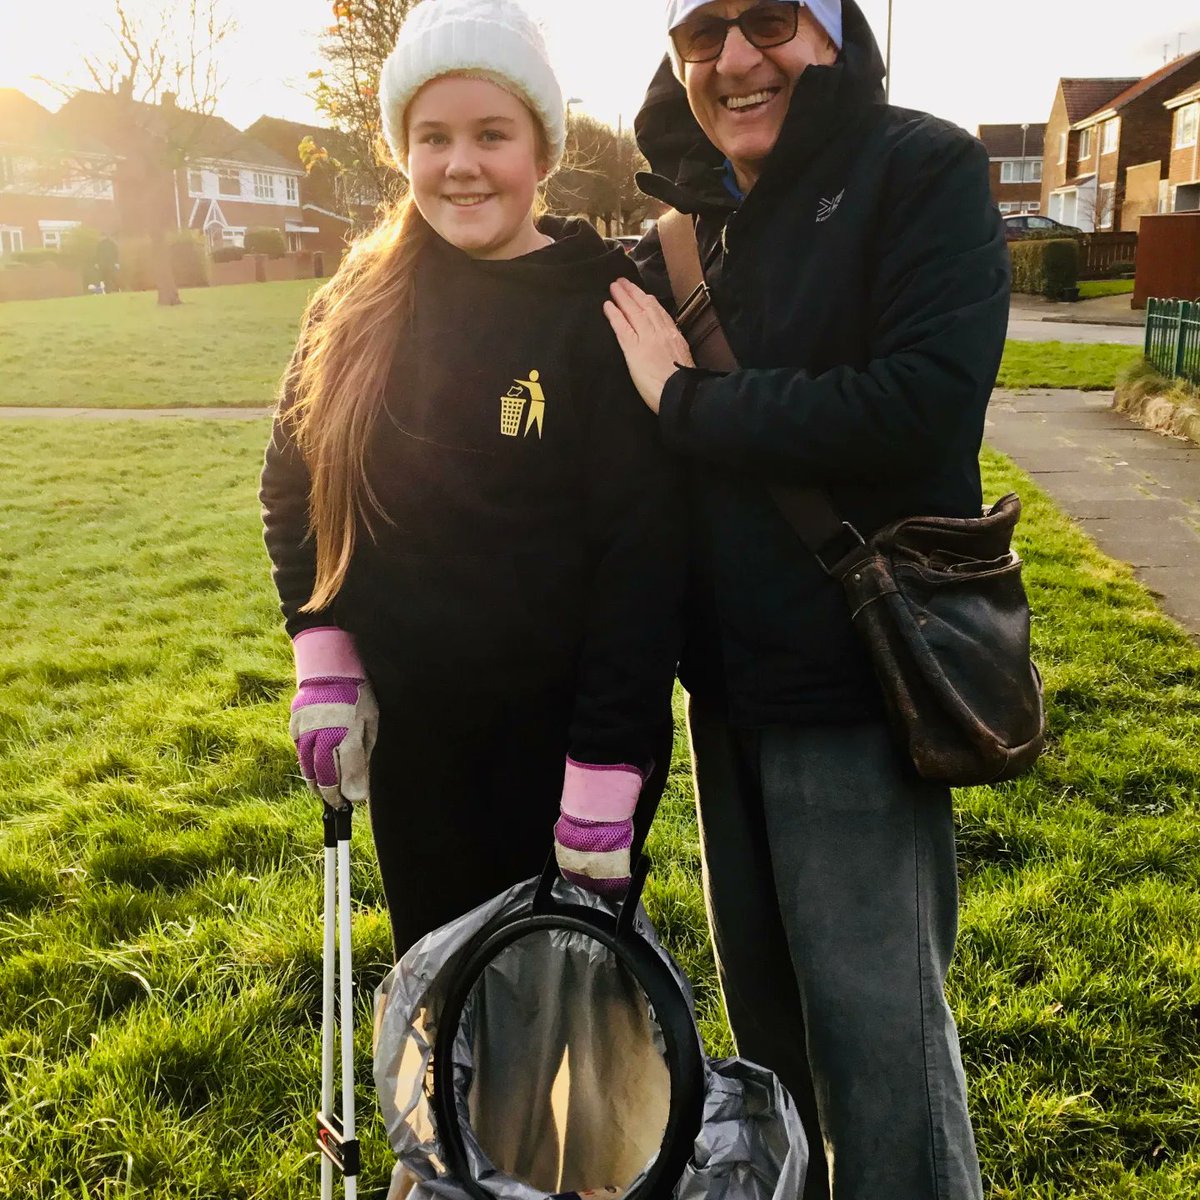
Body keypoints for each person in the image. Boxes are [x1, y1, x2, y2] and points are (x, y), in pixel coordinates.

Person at [602, 2, 1010, 1198]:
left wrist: (690, 406)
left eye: (771, 18)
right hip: (723, 699)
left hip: (858, 688)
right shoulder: (678, 229)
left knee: (884, 1066)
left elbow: (921, 399)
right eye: (701, 30)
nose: (733, 59)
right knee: (773, 1063)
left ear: (832, 32)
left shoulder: (919, 168)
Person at [260, 0, 683, 960]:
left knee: (564, 1041)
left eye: (492, 134)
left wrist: (606, 779)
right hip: (420, 751)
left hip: (569, 760)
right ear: (401, 149)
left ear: (541, 149)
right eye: (433, 136)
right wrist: (323, 656)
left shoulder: (603, 304)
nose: (461, 164)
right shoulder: (354, 305)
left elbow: (644, 560)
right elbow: (292, 491)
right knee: (449, 1014)